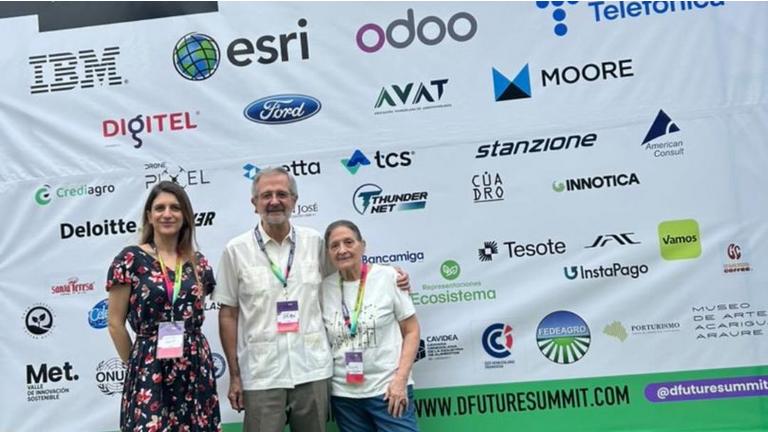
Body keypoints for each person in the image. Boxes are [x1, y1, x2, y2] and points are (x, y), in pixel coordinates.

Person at [214, 167, 409, 432]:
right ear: (254, 203)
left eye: (282, 194)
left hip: (313, 371)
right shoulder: (236, 250)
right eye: (266, 195)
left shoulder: (315, 242)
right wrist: (235, 376)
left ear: (294, 200)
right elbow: (228, 313)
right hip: (262, 374)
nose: (274, 201)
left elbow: (346, 279)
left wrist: (389, 276)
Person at [106, 180, 221, 432]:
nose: (167, 214)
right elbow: (114, 323)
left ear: (185, 215)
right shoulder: (130, 260)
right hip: (149, 365)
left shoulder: (199, 263)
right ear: (149, 216)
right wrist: (137, 364)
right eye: (160, 208)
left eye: (175, 208)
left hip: (194, 365)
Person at [321, 220, 420, 432]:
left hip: (388, 389)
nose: (342, 250)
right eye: (334, 246)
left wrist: (400, 380)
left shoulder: (389, 278)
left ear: (362, 245)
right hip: (345, 396)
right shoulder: (323, 289)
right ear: (328, 253)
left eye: (349, 242)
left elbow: (411, 330)